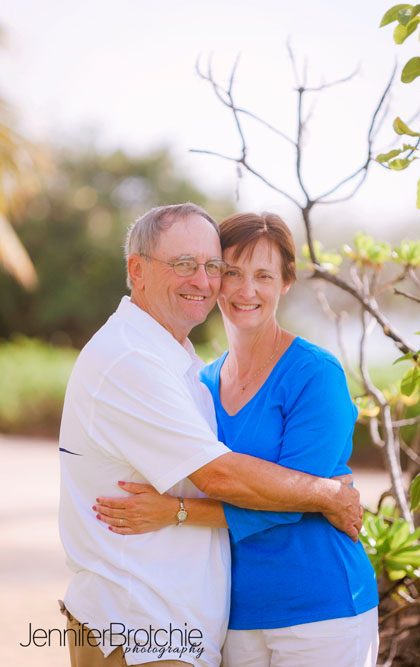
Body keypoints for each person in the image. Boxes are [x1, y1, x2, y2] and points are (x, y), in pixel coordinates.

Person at [58, 203, 363, 667]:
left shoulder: (198, 369)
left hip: (311, 607)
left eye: (210, 266)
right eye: (186, 265)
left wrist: (177, 512)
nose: (206, 281)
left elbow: (278, 501)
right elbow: (225, 477)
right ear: (137, 270)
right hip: (154, 623)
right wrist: (327, 493)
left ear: (286, 283)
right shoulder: (154, 367)